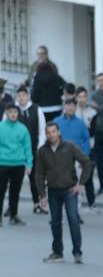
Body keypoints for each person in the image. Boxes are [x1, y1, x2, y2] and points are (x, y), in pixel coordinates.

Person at [35, 118, 92, 264]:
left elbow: (87, 163)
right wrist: (42, 195)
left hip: (70, 190)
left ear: (59, 132)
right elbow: (39, 174)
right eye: (48, 133)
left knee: (73, 220)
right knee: (55, 222)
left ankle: (77, 252)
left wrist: (81, 184)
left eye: (54, 132)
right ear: (45, 134)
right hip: (53, 191)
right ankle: (57, 252)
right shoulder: (42, 151)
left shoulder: (70, 146)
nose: (51, 135)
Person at [0, 99, 33, 225]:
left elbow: (27, 147)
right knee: (0, 191)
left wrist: (29, 164)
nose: (13, 114)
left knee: (15, 192)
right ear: (6, 113)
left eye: (15, 112)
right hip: (2, 163)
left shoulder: (22, 129)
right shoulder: (1, 127)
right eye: (10, 112)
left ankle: (13, 216)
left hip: (18, 164)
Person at [13, 85, 41, 213]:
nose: (21, 98)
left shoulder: (36, 109)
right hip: (15, 151)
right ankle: (12, 207)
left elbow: (42, 130)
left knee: (34, 178)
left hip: (33, 148)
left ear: (28, 96)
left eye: (23, 95)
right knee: (14, 179)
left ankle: (37, 203)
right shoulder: (12, 110)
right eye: (19, 95)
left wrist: (40, 146)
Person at [29, 47, 65, 127]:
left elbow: (57, 82)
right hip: (48, 103)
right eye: (38, 54)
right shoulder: (34, 65)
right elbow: (30, 79)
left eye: (42, 54)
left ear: (46, 54)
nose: (40, 56)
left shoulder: (52, 66)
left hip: (45, 103)